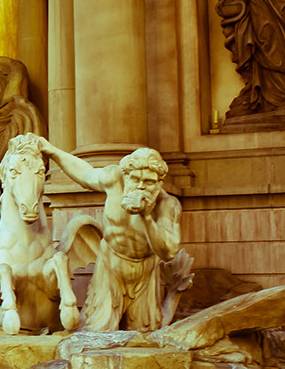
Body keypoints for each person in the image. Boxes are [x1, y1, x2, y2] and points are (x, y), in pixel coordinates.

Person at [38, 141, 182, 332]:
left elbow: (169, 252)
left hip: (145, 272)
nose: (140, 187)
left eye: (148, 182)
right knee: (96, 332)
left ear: (159, 183)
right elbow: (85, 174)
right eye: (135, 179)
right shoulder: (114, 178)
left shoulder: (167, 205)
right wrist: (53, 151)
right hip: (110, 265)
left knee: (144, 335)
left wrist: (146, 216)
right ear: (126, 175)